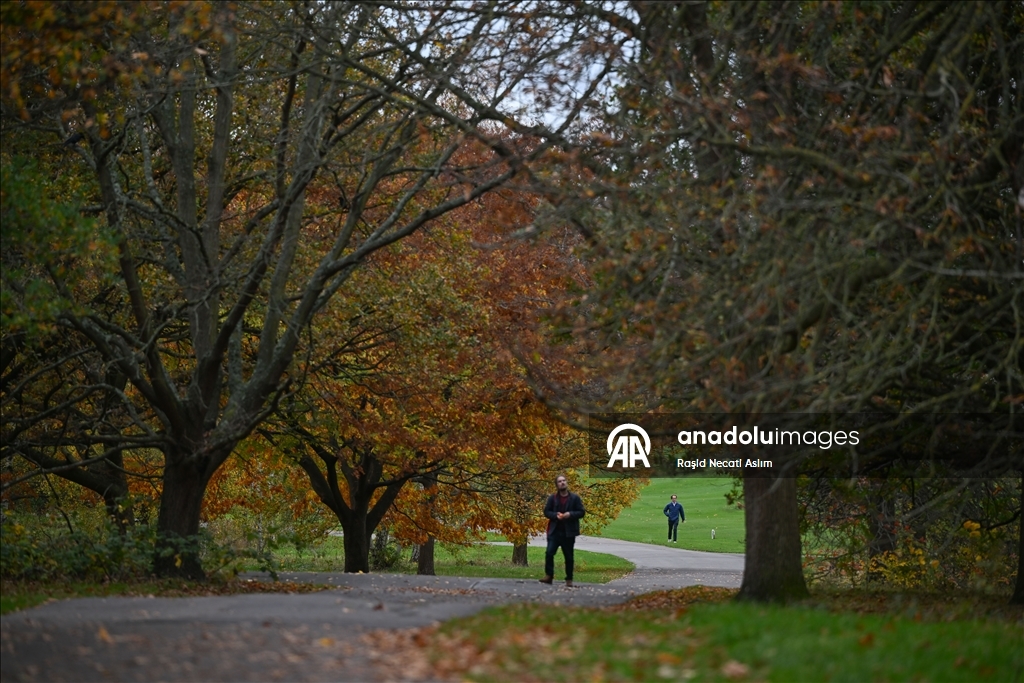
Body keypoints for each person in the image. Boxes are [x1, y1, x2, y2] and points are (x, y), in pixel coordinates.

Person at [540, 474, 586, 587]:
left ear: (567, 482)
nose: (562, 483)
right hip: (555, 531)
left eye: (564, 480)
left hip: (568, 532)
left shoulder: (574, 498)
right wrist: (556, 515)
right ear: (557, 484)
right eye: (560, 481)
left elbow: (581, 512)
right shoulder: (553, 498)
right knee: (549, 552)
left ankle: (569, 579)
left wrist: (569, 514)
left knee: (569, 556)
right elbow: (546, 512)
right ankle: (549, 575)